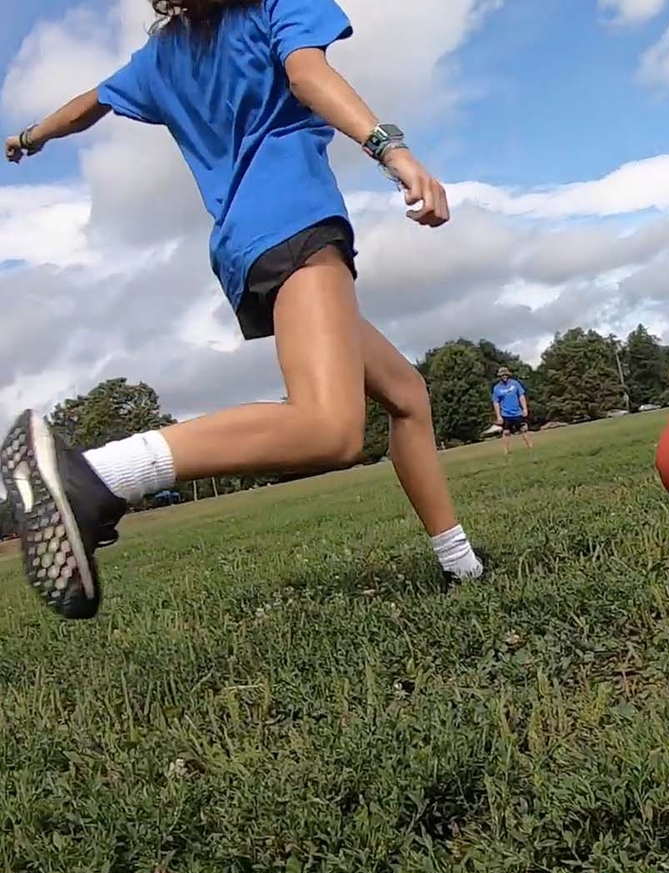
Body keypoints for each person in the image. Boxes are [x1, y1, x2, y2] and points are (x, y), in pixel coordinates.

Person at [1, 0, 490, 620]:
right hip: (295, 221)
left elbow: (88, 105)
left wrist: (29, 137)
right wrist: (392, 150)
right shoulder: (277, 4)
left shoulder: (160, 58)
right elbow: (306, 75)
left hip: (245, 246)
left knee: (407, 395)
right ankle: (95, 476)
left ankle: (461, 565)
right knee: (331, 429)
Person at [492, 366, 534, 455]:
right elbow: (496, 402)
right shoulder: (496, 388)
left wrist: (525, 409)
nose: (504, 377)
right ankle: (506, 452)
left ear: (508, 375)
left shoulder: (515, 384)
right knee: (506, 432)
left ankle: (530, 448)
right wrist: (498, 416)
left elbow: (521, 396)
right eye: (502, 375)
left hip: (517, 412)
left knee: (524, 430)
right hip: (505, 414)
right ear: (499, 376)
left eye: (505, 375)